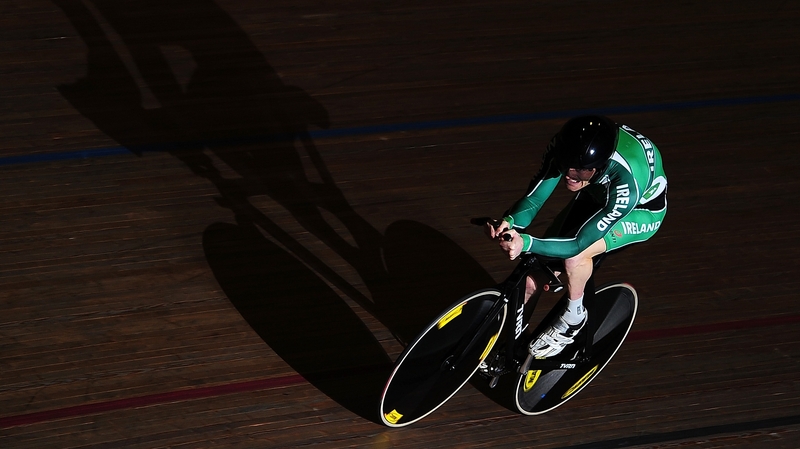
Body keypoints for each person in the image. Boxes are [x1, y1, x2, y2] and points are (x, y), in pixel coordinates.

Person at [485, 115, 667, 358]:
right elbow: (534, 198)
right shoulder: (565, 148)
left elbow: (577, 243)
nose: (570, 175)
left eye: (580, 170)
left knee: (575, 257)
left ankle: (574, 317)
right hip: (597, 192)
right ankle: (505, 348)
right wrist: (510, 222)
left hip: (639, 212)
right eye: (567, 165)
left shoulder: (626, 182)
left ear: (599, 166)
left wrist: (526, 242)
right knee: (531, 277)